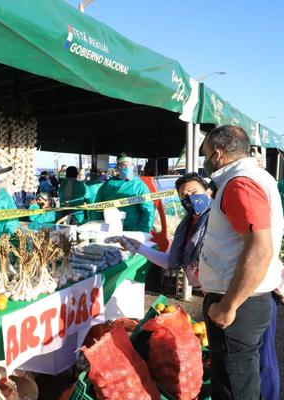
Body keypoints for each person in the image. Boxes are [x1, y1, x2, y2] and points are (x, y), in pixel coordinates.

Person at [198, 125, 283, 400]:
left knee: (236, 387)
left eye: (205, 154)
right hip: (247, 300)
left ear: (218, 155)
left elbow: (260, 250)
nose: (204, 160)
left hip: (239, 304)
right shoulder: (254, 178)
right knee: (244, 380)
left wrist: (228, 306)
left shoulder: (240, 183)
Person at [118, 172, 210, 286]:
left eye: (194, 192)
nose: (190, 198)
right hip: (206, 287)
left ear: (208, 193)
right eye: (184, 195)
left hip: (223, 287)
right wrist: (138, 246)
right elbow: (168, 260)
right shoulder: (184, 226)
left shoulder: (217, 218)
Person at [95, 154, 155, 232]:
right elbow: (97, 208)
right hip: (110, 231)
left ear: (133, 166)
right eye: (123, 165)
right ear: (117, 167)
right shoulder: (107, 185)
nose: (126, 167)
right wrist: (98, 229)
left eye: (129, 165)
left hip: (132, 232)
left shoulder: (139, 186)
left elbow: (148, 211)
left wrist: (142, 232)